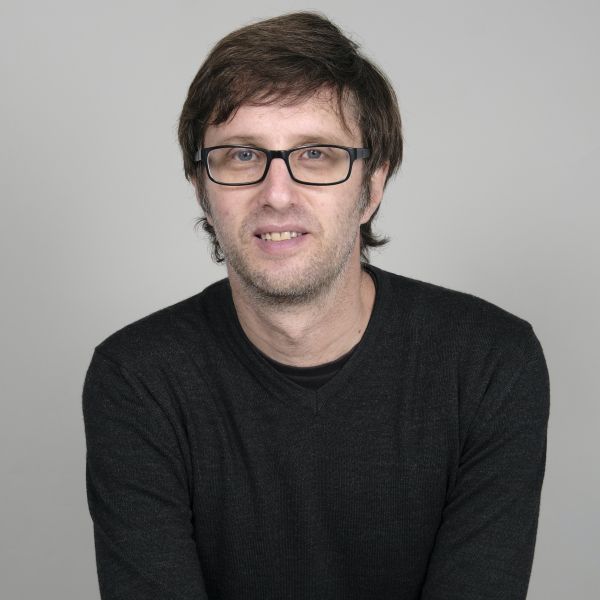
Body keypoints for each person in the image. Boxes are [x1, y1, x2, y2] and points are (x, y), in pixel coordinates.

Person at [82, 11, 550, 600]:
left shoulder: (489, 364)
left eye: (316, 154)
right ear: (202, 187)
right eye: (242, 156)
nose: (277, 195)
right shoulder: (137, 378)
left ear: (371, 188)